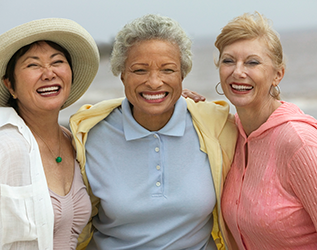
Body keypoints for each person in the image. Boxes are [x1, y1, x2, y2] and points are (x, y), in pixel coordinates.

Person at [70, 14, 238, 250]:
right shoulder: (88, 134)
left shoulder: (216, 127)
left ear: (182, 75)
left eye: (167, 70)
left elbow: (265, 125)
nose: (154, 82)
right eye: (139, 70)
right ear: (122, 75)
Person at [0, 18, 100, 249]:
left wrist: (177, 103)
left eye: (57, 61)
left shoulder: (74, 142)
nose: (49, 73)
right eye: (33, 65)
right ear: (10, 85)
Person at [214, 12, 317, 249]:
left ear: (277, 75)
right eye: (228, 61)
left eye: (252, 62)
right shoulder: (231, 132)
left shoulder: (300, 143)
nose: (238, 72)